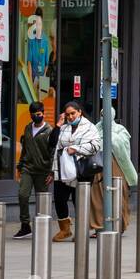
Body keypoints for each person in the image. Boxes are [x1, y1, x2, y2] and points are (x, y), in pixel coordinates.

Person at [51, 100, 102, 242]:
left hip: (81, 171)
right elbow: (53, 145)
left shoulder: (90, 127)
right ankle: (65, 229)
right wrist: (58, 124)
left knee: (79, 201)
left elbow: (96, 145)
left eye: (73, 113)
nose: (71, 117)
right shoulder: (64, 128)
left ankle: (81, 230)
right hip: (63, 170)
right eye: (68, 115)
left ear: (79, 112)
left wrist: (77, 149)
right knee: (59, 199)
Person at [89, 109, 137, 236]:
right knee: (97, 197)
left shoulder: (120, 130)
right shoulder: (94, 128)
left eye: (107, 115)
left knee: (118, 195)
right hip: (98, 166)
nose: (104, 117)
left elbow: (122, 147)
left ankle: (118, 225)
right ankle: (100, 226)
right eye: (102, 115)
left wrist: (109, 136)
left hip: (116, 165)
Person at [13, 106, 56, 238]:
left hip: (43, 170)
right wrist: (19, 166)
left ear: (43, 113)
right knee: (23, 194)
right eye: (33, 114)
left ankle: (42, 228)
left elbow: (53, 152)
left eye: (38, 114)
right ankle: (25, 225)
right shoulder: (27, 128)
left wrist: (52, 172)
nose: (36, 116)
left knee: (42, 199)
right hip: (27, 168)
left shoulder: (49, 131)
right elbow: (24, 148)